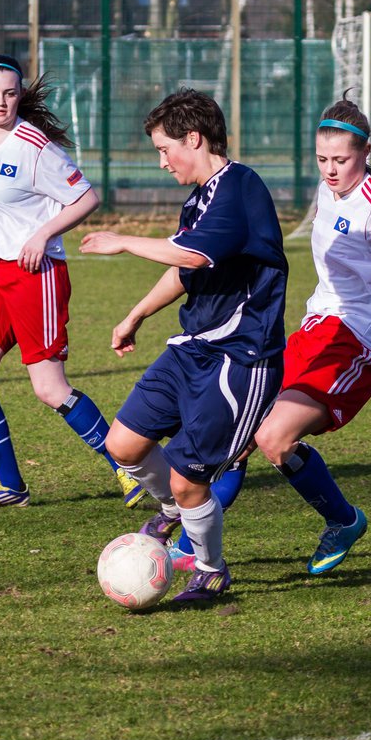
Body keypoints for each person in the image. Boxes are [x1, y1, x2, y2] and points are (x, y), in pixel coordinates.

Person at [167, 95, 371, 576]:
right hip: (316, 326)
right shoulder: (328, 191)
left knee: (274, 437)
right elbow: (364, 269)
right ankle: (186, 545)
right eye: (322, 160)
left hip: (357, 342)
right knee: (239, 429)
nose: (330, 170)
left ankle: (343, 521)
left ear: (366, 152)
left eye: (340, 160)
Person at [80, 88, 288, 604]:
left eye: (163, 148)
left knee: (187, 481)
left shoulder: (239, 187)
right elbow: (184, 265)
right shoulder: (201, 196)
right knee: (123, 446)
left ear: (193, 138)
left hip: (239, 357)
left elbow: (193, 257)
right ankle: (175, 512)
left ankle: (212, 571)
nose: (161, 161)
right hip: (192, 346)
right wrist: (136, 313)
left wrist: (124, 241)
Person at [0, 55, 144, 509]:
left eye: (10, 92)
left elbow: (86, 196)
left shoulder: (34, 146)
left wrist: (43, 233)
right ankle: (12, 487)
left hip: (37, 276)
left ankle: (129, 469)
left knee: (49, 389)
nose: (1, 101)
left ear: (19, 95)